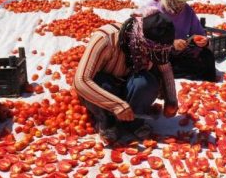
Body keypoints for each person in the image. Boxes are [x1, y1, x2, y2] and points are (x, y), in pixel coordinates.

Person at [74, 9, 178, 144]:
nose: (154, 56)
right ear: (139, 40)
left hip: (128, 86)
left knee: (147, 83)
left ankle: (134, 121)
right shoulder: (106, 39)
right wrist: (116, 105)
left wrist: (171, 100)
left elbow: (165, 68)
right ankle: (107, 121)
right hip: (103, 89)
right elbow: (80, 81)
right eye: (151, 51)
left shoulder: (155, 46)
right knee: (103, 83)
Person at [149, 0, 215, 82]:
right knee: (156, 67)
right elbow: (144, 40)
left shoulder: (187, 10)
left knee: (207, 56)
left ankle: (175, 72)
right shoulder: (153, 10)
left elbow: (199, 33)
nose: (182, 2)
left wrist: (202, 40)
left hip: (179, 54)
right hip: (158, 56)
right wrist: (171, 43)